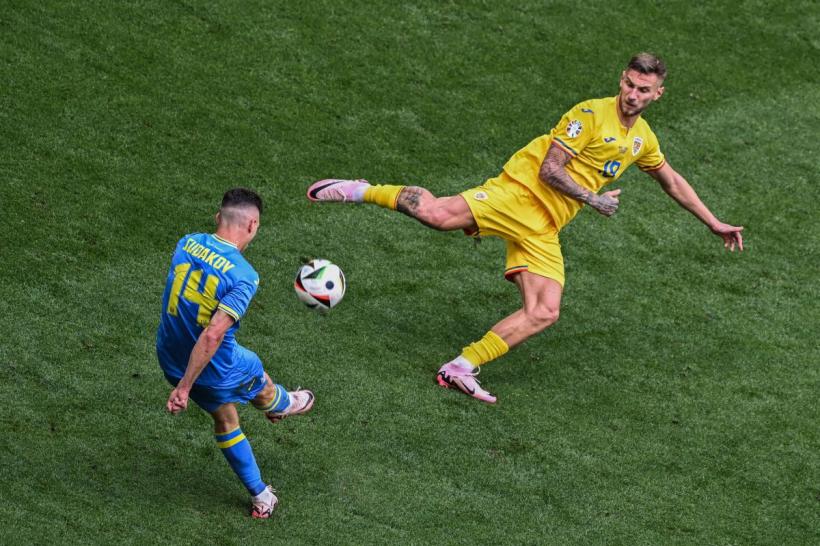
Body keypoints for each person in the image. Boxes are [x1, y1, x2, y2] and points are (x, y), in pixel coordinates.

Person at [306, 53, 744, 404]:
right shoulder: (589, 114)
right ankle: (360, 190)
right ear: (621, 80)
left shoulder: (642, 138)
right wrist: (593, 199)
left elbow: (670, 179)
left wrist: (713, 222)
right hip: (520, 195)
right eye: (628, 84)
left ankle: (460, 367)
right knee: (436, 215)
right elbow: (552, 170)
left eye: (643, 89)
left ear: (658, 94)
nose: (632, 94)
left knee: (545, 311)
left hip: (546, 225)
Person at [156, 188, 315, 518]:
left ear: (218, 218)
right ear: (253, 224)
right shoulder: (244, 275)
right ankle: (281, 403)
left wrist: (182, 378)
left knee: (226, 417)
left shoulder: (187, 242)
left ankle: (261, 496)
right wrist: (184, 388)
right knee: (254, 372)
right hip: (212, 368)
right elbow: (213, 334)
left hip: (169, 356)